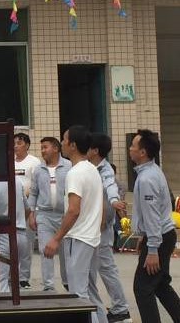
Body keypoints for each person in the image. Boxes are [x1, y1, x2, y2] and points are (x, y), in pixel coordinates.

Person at [43, 125, 106, 323]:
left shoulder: (75, 173)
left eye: (64, 139)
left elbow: (73, 209)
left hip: (78, 238)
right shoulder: (92, 170)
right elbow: (101, 205)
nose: (62, 143)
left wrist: (56, 238)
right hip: (92, 238)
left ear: (73, 145)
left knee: (79, 295)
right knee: (91, 292)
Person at [129, 129, 180, 323]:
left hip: (160, 238)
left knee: (142, 288)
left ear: (143, 152)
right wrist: (144, 236)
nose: (130, 149)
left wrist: (152, 248)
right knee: (160, 285)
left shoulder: (147, 178)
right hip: (161, 235)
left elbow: (152, 215)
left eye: (133, 145)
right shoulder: (152, 171)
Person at [88, 133, 132, 323]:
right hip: (91, 225)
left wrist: (114, 201)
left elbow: (110, 186)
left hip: (102, 226)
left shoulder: (105, 169)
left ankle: (121, 309)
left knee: (106, 267)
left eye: (88, 146)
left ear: (95, 150)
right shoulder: (88, 166)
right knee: (96, 268)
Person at [27, 136, 71, 292]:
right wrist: (31, 214)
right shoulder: (38, 169)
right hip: (44, 215)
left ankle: (68, 282)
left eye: (45, 147)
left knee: (66, 252)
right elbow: (33, 193)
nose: (42, 151)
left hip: (65, 216)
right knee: (45, 250)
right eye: (41, 148)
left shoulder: (69, 166)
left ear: (56, 148)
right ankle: (48, 286)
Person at [13, 132, 40, 290]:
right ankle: (11, 275)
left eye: (19, 143)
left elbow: (36, 186)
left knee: (26, 245)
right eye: (14, 143)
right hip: (12, 207)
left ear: (27, 145)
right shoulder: (9, 161)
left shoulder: (34, 162)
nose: (16, 146)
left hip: (27, 207)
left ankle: (23, 277)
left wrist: (32, 211)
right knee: (12, 244)